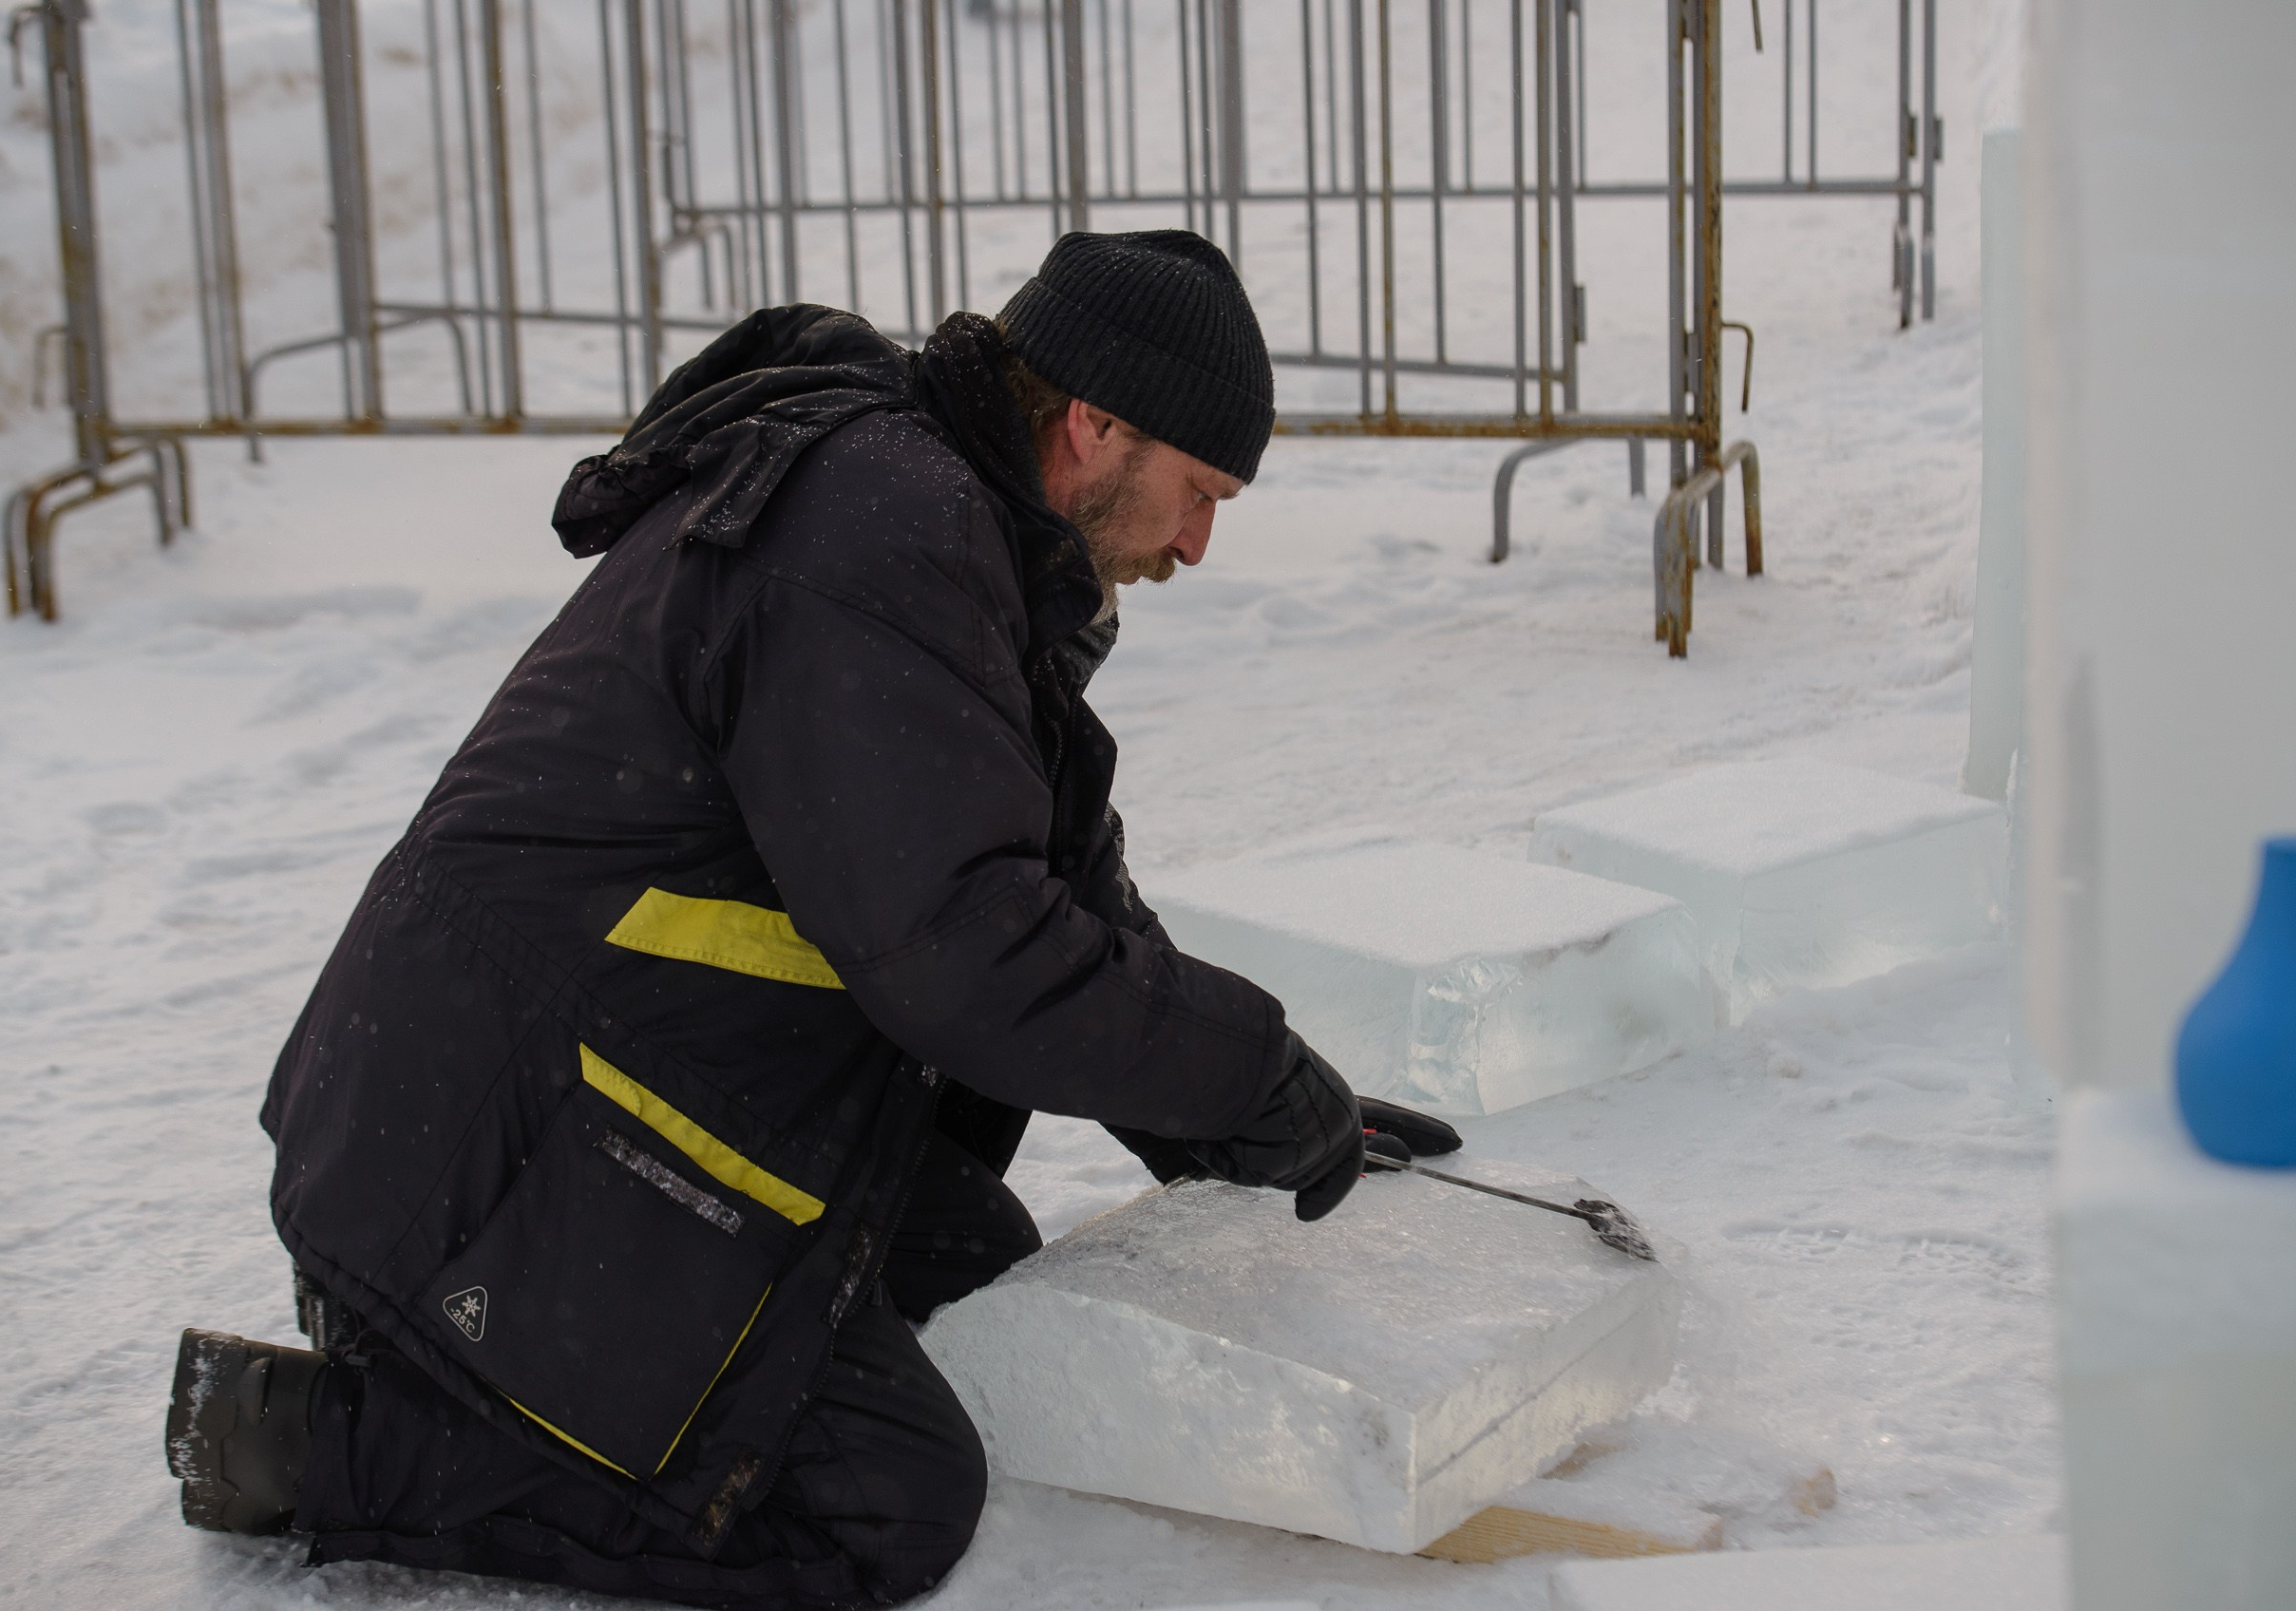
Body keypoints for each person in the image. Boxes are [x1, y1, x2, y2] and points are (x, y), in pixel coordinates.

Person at [163, 230, 1459, 1609]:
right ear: (1094, 425)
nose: (1199, 543)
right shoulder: (874, 525)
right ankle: (343, 1433)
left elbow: (1055, 886)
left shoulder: (960, 531)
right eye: (1201, 493)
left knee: (983, 1288)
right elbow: (965, 949)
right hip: (478, 1136)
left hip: (633, 1079)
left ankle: (499, 1356)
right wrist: (1242, 1069)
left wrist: (1245, 1105)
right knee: (889, 1505)